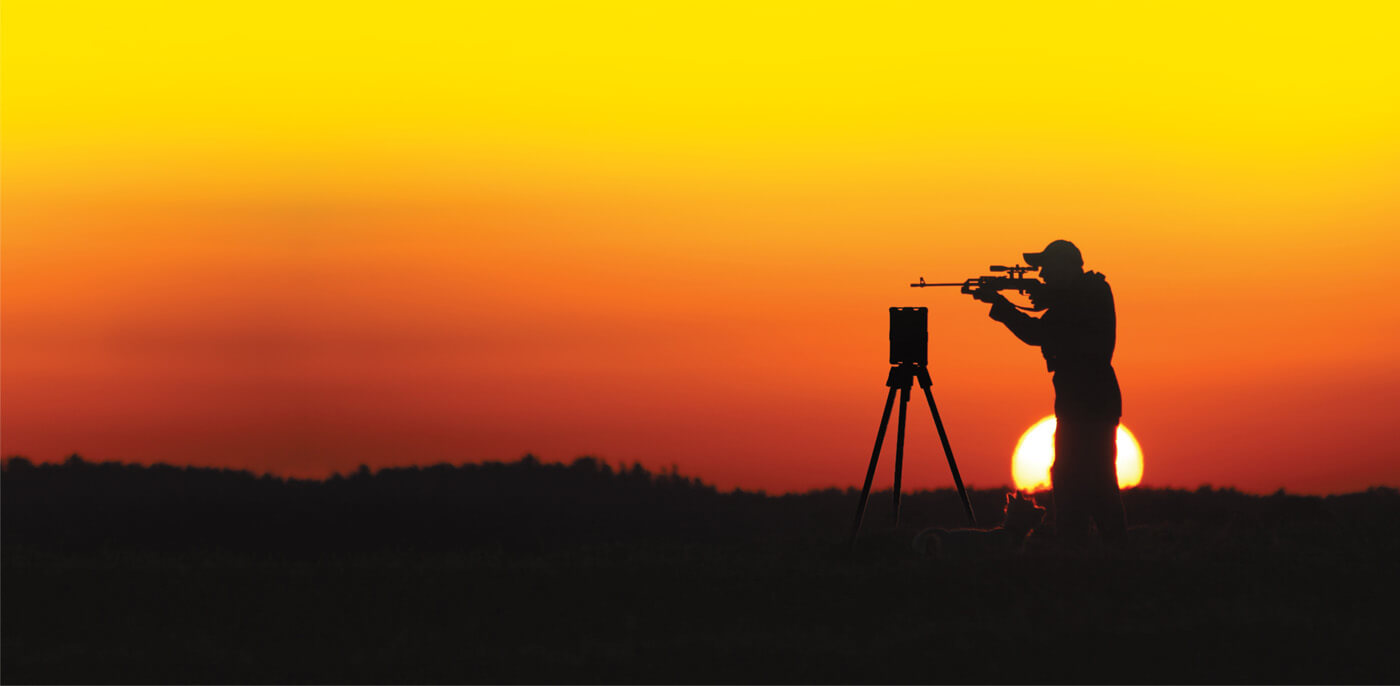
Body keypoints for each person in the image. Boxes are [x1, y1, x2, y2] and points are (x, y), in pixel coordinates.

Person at [972, 240, 1127, 549]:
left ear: (1066, 268)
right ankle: (1091, 549)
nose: (1041, 274)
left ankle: (1087, 549)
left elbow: (1038, 334)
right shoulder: (1080, 295)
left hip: (1088, 404)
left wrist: (1001, 306)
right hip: (1083, 403)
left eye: (1046, 268)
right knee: (1082, 479)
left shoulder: (1087, 294)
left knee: (1083, 480)